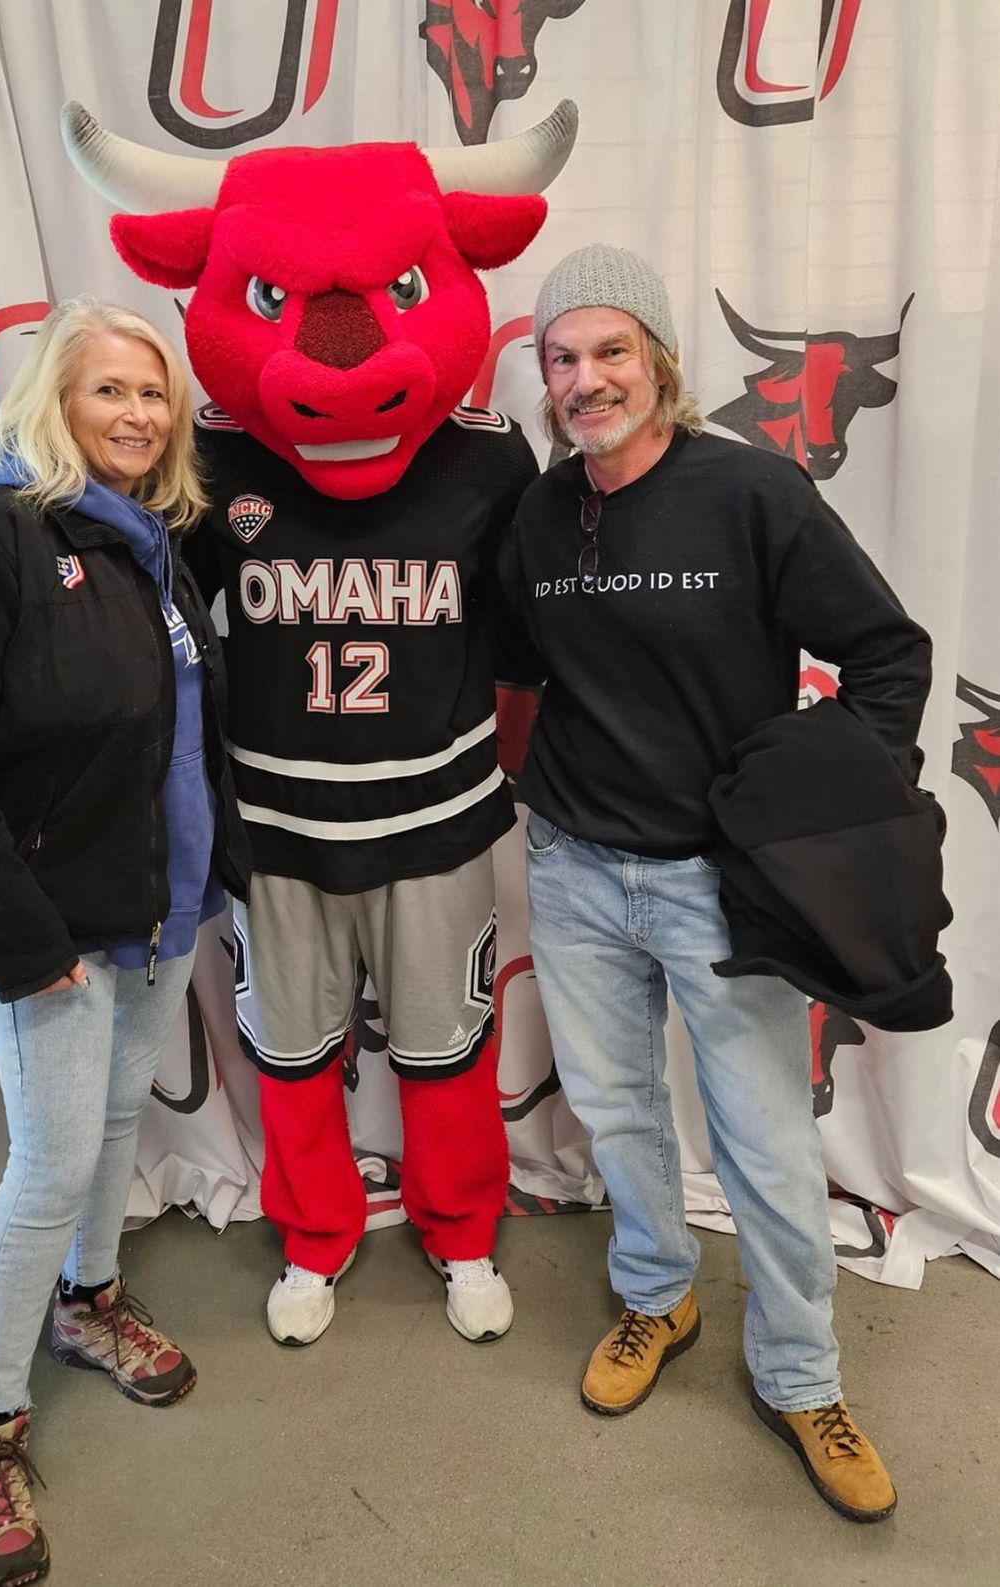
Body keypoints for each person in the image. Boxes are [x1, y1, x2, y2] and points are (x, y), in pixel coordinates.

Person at [60, 104, 579, 1348]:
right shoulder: (212, 461)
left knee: (450, 1054)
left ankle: (460, 1231)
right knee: (292, 1061)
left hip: (439, 821)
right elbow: (154, 632)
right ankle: (317, 1236)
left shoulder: (487, 459)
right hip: (279, 825)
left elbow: (528, 640)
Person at [498, 245, 933, 1522]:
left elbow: (887, 655)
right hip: (576, 869)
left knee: (766, 1146)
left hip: (719, 886)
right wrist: (544, 802)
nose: (587, 380)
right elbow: (525, 677)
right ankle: (656, 1296)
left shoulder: (754, 493)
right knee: (617, 1112)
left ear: (662, 360)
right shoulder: (538, 513)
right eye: (563, 358)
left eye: (611, 350)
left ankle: (801, 1376)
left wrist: (822, 812)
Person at [0, 297, 250, 1586]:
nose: (138, 414)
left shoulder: (154, 544)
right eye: (109, 391)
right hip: (49, 928)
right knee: (42, 1165)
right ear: (55, 401)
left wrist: (209, 882)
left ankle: (88, 1304)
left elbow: (176, 734)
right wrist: (22, 941)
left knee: (107, 1129)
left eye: (154, 394)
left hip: (157, 911)